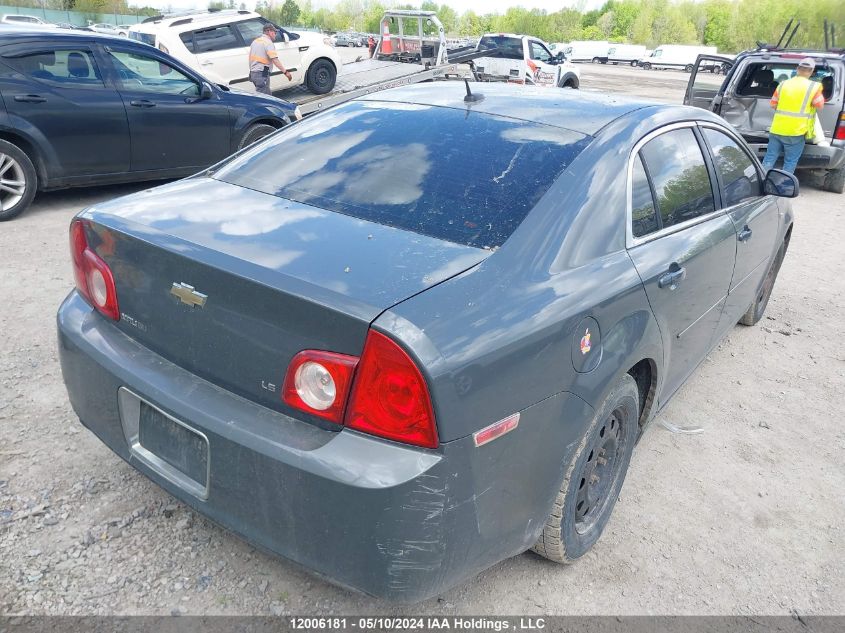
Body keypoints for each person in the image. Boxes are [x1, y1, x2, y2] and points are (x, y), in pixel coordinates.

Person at [761, 57, 825, 174]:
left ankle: (761, 182)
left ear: (797, 69)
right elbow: (819, 105)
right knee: (790, 162)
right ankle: (783, 187)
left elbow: (773, 104)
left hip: (777, 129)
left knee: (769, 159)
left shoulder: (783, 84)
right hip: (796, 132)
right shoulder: (814, 87)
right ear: (811, 71)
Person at [248, 24, 292, 95]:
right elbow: (275, 60)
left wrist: (252, 72)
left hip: (254, 74)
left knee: (263, 95)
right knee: (266, 99)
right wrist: (286, 72)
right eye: (274, 32)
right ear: (269, 31)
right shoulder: (268, 43)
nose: (275, 34)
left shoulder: (255, 42)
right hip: (262, 73)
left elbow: (250, 59)